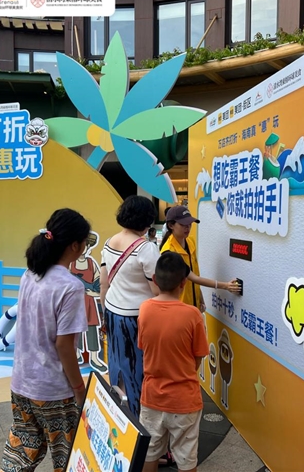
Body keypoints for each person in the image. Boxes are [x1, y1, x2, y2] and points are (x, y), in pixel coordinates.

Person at [0, 208, 91, 472]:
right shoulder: (71, 287)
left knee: (21, 451)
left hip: (22, 382)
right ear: (75, 245)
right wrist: (79, 388)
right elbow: (64, 345)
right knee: (68, 457)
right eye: (84, 242)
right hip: (54, 389)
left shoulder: (30, 274)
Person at [138, 252, 209, 472]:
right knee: (186, 459)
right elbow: (198, 357)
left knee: (149, 453)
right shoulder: (193, 315)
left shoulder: (145, 309)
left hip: (152, 398)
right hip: (184, 400)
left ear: (155, 279)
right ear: (184, 283)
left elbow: (144, 347)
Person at [99, 195, 160, 417]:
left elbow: (103, 283)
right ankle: (138, 418)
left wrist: (105, 312)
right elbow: (157, 290)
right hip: (138, 317)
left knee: (117, 364)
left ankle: (120, 412)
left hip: (113, 311)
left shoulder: (109, 242)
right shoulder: (146, 249)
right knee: (139, 369)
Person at [160, 205, 240, 311]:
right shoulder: (169, 252)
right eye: (183, 224)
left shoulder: (190, 241)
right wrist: (225, 286)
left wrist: (200, 298)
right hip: (179, 308)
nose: (188, 227)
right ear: (171, 225)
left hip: (194, 304)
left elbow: (195, 274)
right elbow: (194, 278)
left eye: (190, 223)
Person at [69, 231, 107, 373]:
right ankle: (77, 353)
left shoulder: (91, 264)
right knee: (76, 329)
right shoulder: (71, 263)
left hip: (89, 302)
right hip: (75, 302)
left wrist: (93, 293)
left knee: (91, 330)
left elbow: (99, 284)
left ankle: (94, 358)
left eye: (86, 245)